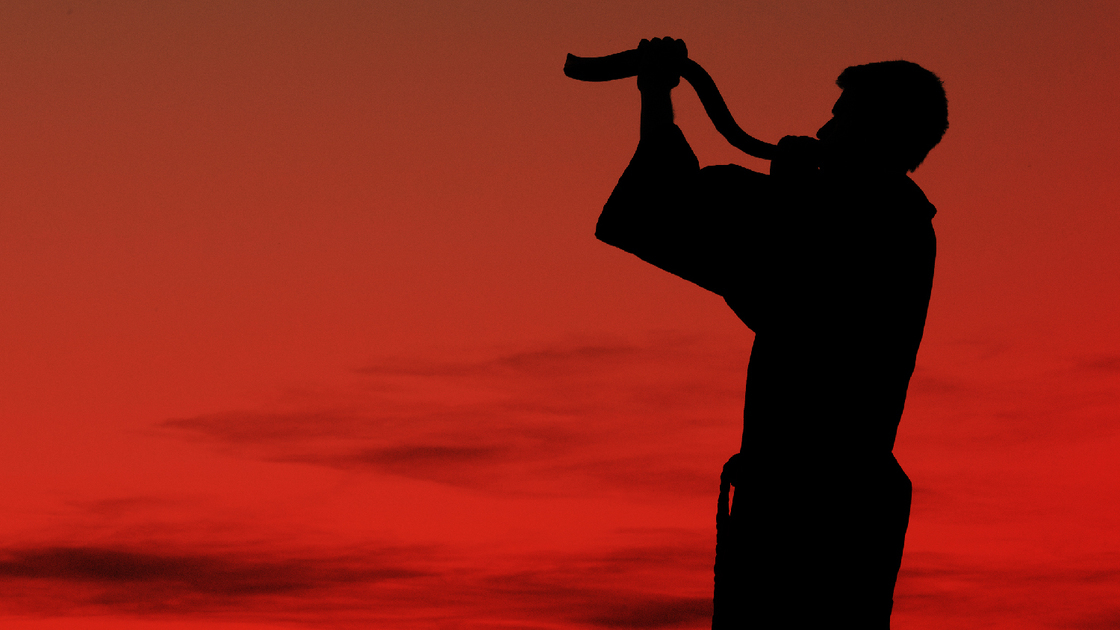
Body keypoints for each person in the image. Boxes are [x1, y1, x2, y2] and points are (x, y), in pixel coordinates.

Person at [593, 37, 948, 627]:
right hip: (816, 501)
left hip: (814, 511)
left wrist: (657, 92)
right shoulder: (865, 214)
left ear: (874, 132)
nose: (824, 131)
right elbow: (681, 210)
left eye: (841, 117)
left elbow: (670, 213)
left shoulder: (876, 222)